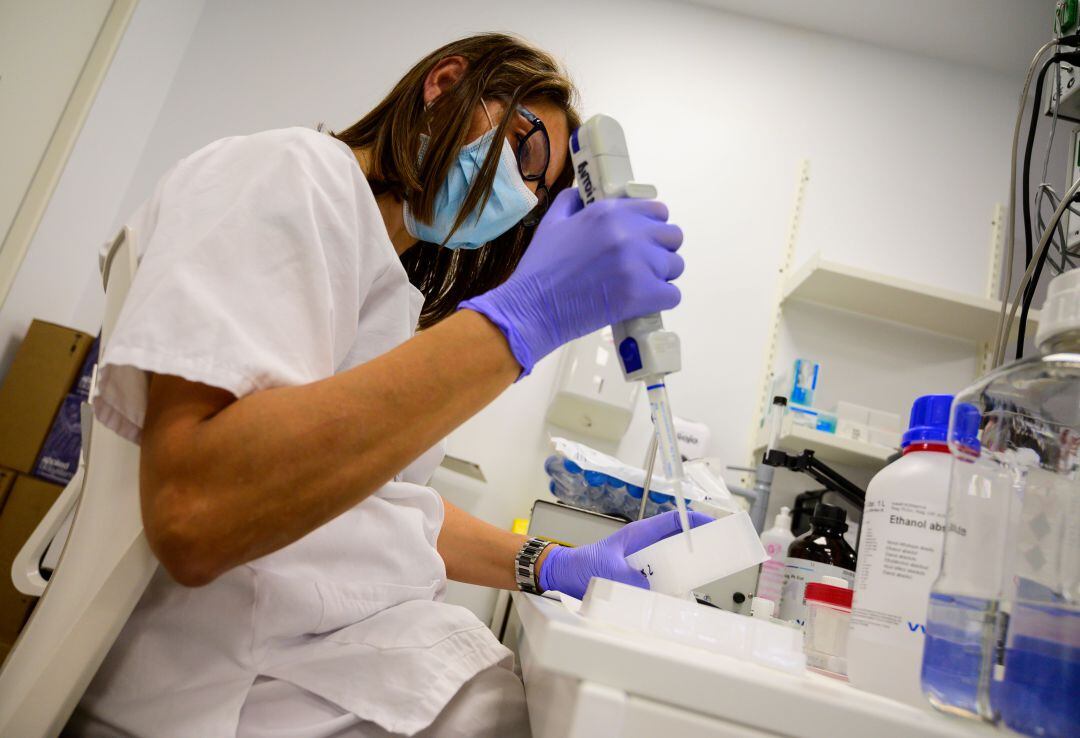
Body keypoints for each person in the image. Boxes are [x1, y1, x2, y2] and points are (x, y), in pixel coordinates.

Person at [69, 33, 702, 738]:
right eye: (525, 150)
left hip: (301, 655)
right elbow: (196, 512)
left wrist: (553, 564)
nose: (522, 194)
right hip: (223, 682)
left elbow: (376, 504)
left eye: (539, 191)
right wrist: (520, 323)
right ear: (445, 83)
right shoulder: (295, 172)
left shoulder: (390, 293)